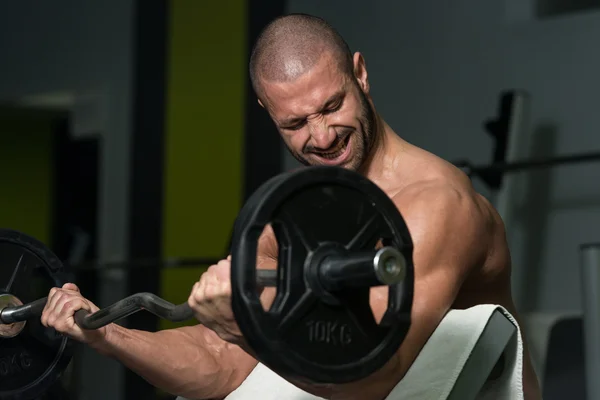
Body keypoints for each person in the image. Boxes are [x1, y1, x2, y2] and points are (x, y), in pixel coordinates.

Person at [41, 13, 541, 400]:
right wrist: (109, 336)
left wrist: (248, 328)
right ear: (267, 111)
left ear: (360, 75)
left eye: (331, 106)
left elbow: (379, 381)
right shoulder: (290, 215)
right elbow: (224, 361)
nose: (321, 137)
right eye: (295, 123)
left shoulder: (436, 206)